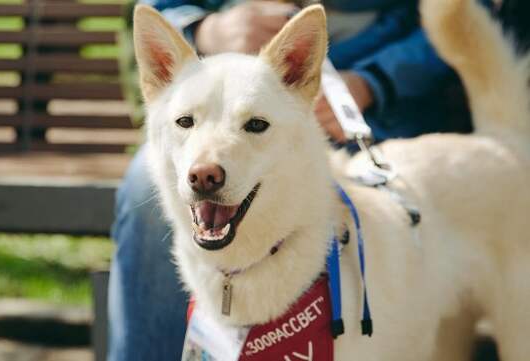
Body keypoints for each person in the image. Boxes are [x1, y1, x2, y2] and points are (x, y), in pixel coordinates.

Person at [107, 1, 479, 360]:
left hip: (383, 106)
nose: (205, 176)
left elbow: (452, 21)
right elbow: (162, 6)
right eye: (185, 122)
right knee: (145, 186)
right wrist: (207, 27)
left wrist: (375, 80)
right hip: (216, 69)